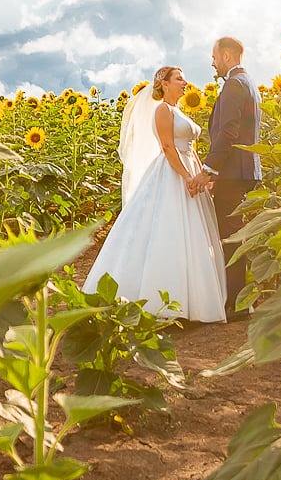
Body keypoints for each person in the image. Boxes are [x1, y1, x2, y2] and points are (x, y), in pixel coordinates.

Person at [83, 65, 228, 323]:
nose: (185, 83)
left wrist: (202, 177)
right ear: (164, 83)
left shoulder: (178, 111)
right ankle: (161, 301)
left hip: (192, 172)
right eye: (179, 79)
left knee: (193, 234)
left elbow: (189, 148)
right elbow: (168, 146)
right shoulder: (162, 110)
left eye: (184, 78)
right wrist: (186, 177)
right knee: (169, 232)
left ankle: (194, 300)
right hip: (172, 174)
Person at [203, 36, 262, 312]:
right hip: (241, 170)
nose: (212, 63)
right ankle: (240, 300)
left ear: (226, 56)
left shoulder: (234, 85)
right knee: (234, 232)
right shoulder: (247, 83)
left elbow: (227, 132)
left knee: (230, 236)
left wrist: (209, 170)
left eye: (214, 57)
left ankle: (237, 304)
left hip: (232, 172)